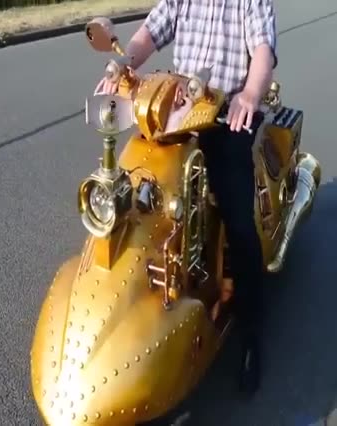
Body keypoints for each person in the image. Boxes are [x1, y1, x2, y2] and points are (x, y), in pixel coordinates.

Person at [96, 0, 277, 395]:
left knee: (239, 221)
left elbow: (263, 50)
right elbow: (151, 32)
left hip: (227, 114)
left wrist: (249, 93)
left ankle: (251, 333)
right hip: (178, 112)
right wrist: (122, 64)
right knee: (137, 192)